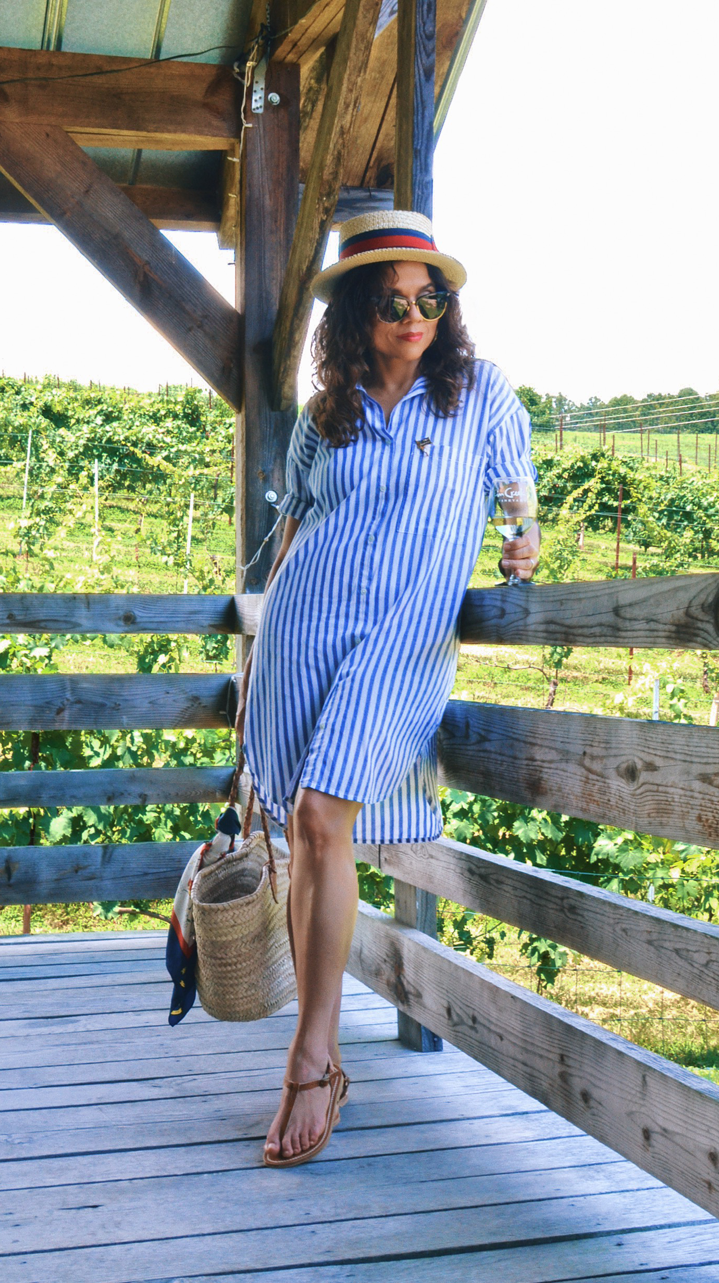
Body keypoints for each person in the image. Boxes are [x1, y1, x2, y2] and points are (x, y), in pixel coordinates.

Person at [235, 210, 540, 1167]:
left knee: (324, 814)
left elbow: (518, 495)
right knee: (306, 831)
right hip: (304, 628)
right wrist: (254, 664)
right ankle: (319, 1048)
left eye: (429, 299)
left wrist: (522, 540)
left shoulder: (480, 393)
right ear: (357, 313)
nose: (414, 316)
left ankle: (311, 1055)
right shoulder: (325, 415)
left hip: (405, 642)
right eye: (393, 301)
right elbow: (292, 535)